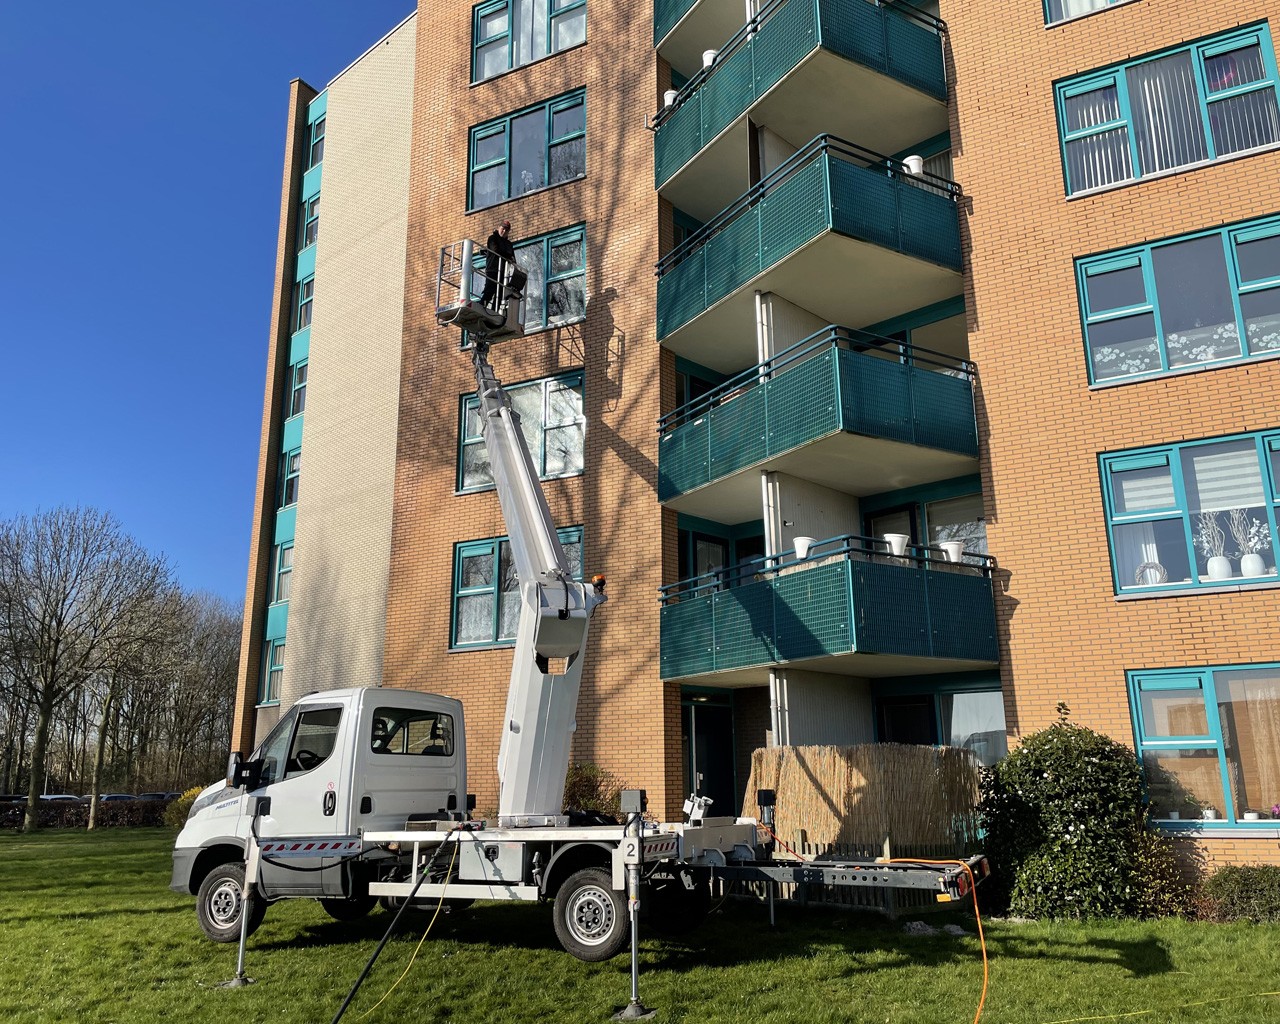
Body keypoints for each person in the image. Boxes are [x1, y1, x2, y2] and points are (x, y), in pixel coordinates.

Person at [481, 220, 516, 309]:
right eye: (503, 229)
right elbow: (495, 250)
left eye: (506, 230)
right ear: (499, 228)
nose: (504, 231)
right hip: (493, 269)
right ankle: (481, 306)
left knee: (500, 293)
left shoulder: (509, 244)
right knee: (490, 290)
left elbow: (513, 258)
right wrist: (508, 256)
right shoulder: (492, 238)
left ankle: (494, 311)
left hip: (504, 272)